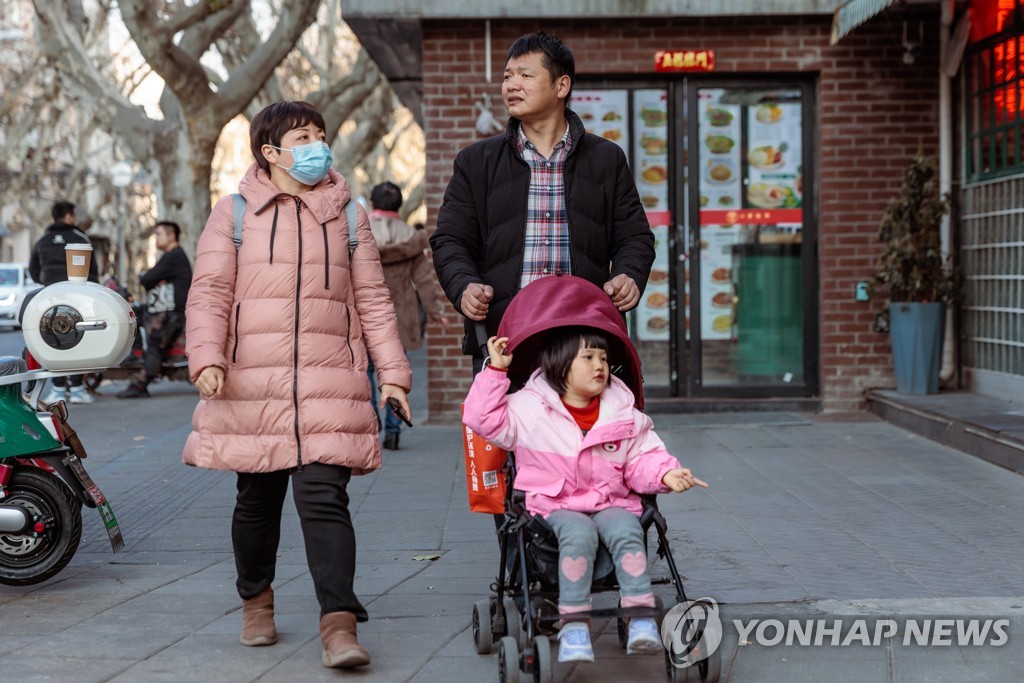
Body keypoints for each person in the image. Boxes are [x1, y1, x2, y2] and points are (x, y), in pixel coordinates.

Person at [183, 101, 412, 670]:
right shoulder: (233, 213)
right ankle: (256, 601)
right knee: (256, 503)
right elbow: (209, 292)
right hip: (251, 382)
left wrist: (393, 375)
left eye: (320, 134)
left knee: (324, 499)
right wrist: (206, 357)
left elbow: (374, 302)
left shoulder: (348, 214)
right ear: (270, 152)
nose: (316, 145)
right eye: (302, 136)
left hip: (329, 380)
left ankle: (339, 624)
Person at [463, 328, 708, 663]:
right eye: (589, 357)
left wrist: (666, 473)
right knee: (578, 534)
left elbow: (642, 457)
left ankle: (639, 617)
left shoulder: (622, 411)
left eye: (604, 358)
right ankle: (574, 625)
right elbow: (481, 419)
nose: (600, 366)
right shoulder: (527, 408)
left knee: (628, 530)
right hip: (554, 504)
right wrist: (495, 371)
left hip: (610, 500)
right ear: (560, 364)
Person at [430, 31, 655, 375]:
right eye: (507, 76)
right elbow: (450, 239)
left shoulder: (606, 159)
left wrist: (629, 275)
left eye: (525, 75)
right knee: (507, 431)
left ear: (561, 86)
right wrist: (464, 286)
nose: (511, 85)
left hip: (584, 341)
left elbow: (635, 237)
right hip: (505, 340)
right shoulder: (476, 162)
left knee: (583, 431)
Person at [367, 181, 446, 450]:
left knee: (365, 370)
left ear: (372, 201)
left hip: (363, 315)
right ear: (399, 205)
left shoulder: (358, 232)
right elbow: (423, 279)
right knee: (395, 372)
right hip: (400, 315)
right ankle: (393, 428)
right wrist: (436, 312)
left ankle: (370, 416)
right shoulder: (410, 237)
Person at [30, 200, 99, 405]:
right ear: (69, 216)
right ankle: (77, 388)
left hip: (50, 299)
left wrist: (48, 284)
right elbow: (92, 270)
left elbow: (33, 270)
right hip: (77, 299)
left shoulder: (43, 240)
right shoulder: (80, 238)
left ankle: (58, 388)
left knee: (53, 341)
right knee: (78, 339)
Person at [118, 220, 192, 398]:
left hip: (170, 313)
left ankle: (140, 385)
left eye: (158, 234)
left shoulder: (174, 255)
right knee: (130, 313)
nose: (156, 239)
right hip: (161, 309)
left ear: (171, 235)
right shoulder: (171, 256)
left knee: (155, 346)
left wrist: (152, 278)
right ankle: (136, 353)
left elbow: (147, 279)